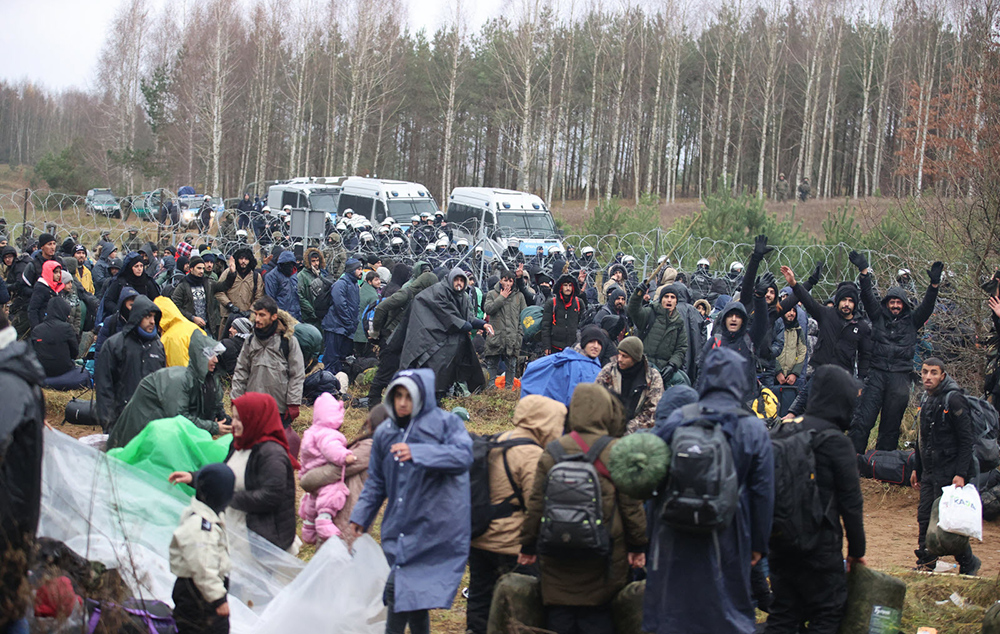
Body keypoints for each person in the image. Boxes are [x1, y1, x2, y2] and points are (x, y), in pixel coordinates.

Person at [644, 347, 774, 634]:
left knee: (677, 605)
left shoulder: (679, 418)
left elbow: (652, 474)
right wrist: (759, 545)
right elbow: (763, 492)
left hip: (676, 527)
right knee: (725, 603)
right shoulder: (752, 428)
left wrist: (652, 531)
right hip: (729, 526)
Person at [349, 369, 474, 634]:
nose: (403, 402)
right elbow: (377, 481)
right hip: (400, 526)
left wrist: (419, 452)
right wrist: (361, 515)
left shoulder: (445, 425)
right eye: (398, 396)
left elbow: (462, 456)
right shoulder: (385, 434)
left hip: (433, 527)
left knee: (399, 592)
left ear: (422, 397)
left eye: (409, 396)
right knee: (411, 598)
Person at [518, 383, 647, 634]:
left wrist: (527, 545)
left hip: (557, 555)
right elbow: (632, 506)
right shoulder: (616, 452)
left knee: (559, 618)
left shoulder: (552, 452)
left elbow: (536, 505)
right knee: (598, 617)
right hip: (604, 557)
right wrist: (637, 547)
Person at [765, 364, 867, 634]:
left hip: (779, 541)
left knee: (784, 613)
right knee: (827, 612)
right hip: (820, 546)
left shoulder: (783, 431)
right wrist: (857, 551)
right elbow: (851, 504)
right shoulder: (836, 441)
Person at [467, 395, 567, 634]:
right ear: (545, 422)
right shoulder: (533, 455)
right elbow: (537, 507)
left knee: (480, 599)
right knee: (519, 607)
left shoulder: (497, 440)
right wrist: (532, 547)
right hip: (512, 547)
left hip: (479, 538)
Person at [848, 252, 941, 453]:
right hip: (877, 374)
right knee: (863, 418)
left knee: (891, 423)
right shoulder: (877, 316)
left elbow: (927, 307)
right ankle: (853, 458)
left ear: (904, 305)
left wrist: (933, 286)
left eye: (899, 303)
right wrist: (864, 272)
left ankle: (881, 461)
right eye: (892, 302)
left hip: (900, 377)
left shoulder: (912, 322)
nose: (895, 306)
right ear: (887, 304)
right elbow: (867, 295)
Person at [910, 358, 980, 574]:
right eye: (924, 372)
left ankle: (968, 561)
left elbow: (966, 440)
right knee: (924, 517)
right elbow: (922, 439)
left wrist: (960, 474)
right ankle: (926, 563)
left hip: (950, 472)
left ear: (942, 375)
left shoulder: (954, 399)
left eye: (933, 372)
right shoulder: (926, 398)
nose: (928, 377)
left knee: (947, 523)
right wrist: (917, 469)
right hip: (930, 471)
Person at [0, 307, 45, 634]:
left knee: (10, 610)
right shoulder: (16, 377)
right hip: (16, 518)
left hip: (7, 521)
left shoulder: (8, 385)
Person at [108, 331, 227, 449]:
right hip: (144, 423)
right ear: (201, 357)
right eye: (212, 355)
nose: (216, 360)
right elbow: (179, 418)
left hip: (161, 429)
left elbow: (216, 407)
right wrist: (213, 427)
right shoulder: (179, 380)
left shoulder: (207, 381)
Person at [779, 266, 871, 416]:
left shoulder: (861, 327)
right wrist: (794, 284)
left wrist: (860, 382)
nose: (846, 304)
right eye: (843, 300)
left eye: (850, 301)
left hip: (843, 379)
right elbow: (808, 301)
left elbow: (865, 357)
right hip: (821, 373)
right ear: (838, 301)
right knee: (798, 409)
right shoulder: (826, 315)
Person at [399, 268, 493, 397]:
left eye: (462, 280)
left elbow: (467, 317)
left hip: (452, 345)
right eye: (456, 280)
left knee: (448, 376)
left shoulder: (462, 297)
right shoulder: (440, 292)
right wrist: (466, 325)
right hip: (436, 342)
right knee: (436, 375)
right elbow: (451, 318)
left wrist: (483, 324)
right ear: (451, 280)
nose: (459, 283)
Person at [231, 296, 305, 456]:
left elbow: (297, 374)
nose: (257, 319)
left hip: (278, 406)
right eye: (256, 314)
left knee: (275, 449)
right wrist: (236, 400)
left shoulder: (288, 342)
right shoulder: (250, 341)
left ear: (273, 317)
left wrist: (293, 402)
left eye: (262, 315)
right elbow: (241, 371)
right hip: (252, 405)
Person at [168, 464, 235, 634]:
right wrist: (217, 599)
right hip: (198, 594)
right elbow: (203, 567)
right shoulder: (201, 526)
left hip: (204, 589)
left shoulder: (209, 514)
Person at [366, 272, 438, 406]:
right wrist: (376, 332)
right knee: (384, 372)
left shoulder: (421, 299)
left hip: (404, 341)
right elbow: (381, 308)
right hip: (391, 340)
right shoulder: (406, 294)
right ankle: (373, 403)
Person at [94, 296, 165, 429]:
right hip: (122, 420)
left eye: (154, 317)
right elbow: (104, 386)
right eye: (148, 316)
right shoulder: (115, 345)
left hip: (151, 423)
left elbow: (161, 386)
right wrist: (109, 423)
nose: (152, 321)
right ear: (137, 316)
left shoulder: (158, 347)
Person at [298, 393, 356, 543]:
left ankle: (309, 529)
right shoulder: (328, 434)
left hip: (310, 474)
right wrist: (345, 456)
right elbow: (332, 450)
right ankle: (324, 521)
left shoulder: (310, 432)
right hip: (324, 475)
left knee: (312, 501)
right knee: (332, 495)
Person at [520, 325, 604, 408]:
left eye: (599, 343)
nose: (596, 346)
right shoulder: (571, 363)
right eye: (591, 342)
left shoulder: (595, 366)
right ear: (584, 342)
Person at [596, 336, 664, 434]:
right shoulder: (609, 371)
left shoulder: (652, 377)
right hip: (607, 430)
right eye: (619, 354)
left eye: (625, 356)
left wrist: (627, 429)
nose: (619, 359)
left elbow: (653, 411)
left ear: (635, 358)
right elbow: (596, 399)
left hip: (639, 434)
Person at [629, 282, 689, 384]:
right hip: (645, 364)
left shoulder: (679, 323)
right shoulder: (650, 313)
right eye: (666, 296)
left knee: (684, 381)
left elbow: (681, 348)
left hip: (664, 367)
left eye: (672, 297)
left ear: (676, 302)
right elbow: (633, 310)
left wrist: (672, 365)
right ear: (661, 299)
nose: (669, 300)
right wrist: (637, 295)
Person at [31, 296, 90, 390]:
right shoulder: (67, 328)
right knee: (84, 373)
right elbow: (74, 352)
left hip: (43, 372)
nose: (69, 316)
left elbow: (33, 352)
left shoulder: (37, 330)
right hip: (64, 371)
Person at [484, 269, 527, 389]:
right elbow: (488, 309)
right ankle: (490, 390)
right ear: (501, 280)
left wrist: (519, 334)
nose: (508, 283)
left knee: (511, 365)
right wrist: (501, 298)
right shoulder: (492, 294)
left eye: (510, 281)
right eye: (505, 280)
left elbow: (524, 316)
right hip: (496, 336)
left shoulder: (519, 296)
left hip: (512, 337)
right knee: (492, 364)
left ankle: (509, 391)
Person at [173, 256, 230, 340]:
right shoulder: (183, 286)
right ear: (191, 269)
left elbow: (224, 286)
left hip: (207, 329)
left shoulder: (208, 283)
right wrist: (192, 318)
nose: (201, 271)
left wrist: (232, 273)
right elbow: (175, 307)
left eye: (203, 269)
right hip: (190, 330)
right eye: (199, 268)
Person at [322, 258, 363, 375]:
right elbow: (340, 305)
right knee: (331, 358)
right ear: (351, 270)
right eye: (358, 269)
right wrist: (349, 322)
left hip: (344, 328)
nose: (361, 272)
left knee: (340, 358)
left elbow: (355, 306)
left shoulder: (354, 285)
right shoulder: (341, 284)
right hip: (335, 327)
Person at [215, 245, 264, 326]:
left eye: (246, 259)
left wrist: (251, 311)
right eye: (241, 259)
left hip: (247, 318)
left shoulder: (255, 277)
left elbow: (259, 296)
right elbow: (218, 291)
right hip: (228, 316)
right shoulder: (228, 273)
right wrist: (229, 305)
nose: (243, 261)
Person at [541, 274, 584, 355]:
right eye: (565, 285)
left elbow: (583, 324)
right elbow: (546, 326)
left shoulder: (579, 303)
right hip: (555, 347)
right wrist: (547, 346)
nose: (568, 288)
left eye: (570, 285)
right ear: (561, 287)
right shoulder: (552, 303)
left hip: (574, 347)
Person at [28, 260, 65, 328]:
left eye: (59, 272)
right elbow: (33, 309)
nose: (58, 275)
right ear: (49, 272)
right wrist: (36, 328)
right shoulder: (41, 288)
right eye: (55, 272)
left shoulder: (58, 288)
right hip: (44, 325)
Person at [264, 250, 301, 320]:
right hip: (281, 316)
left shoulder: (295, 275)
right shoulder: (272, 276)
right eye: (286, 263)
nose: (288, 266)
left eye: (290, 263)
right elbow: (270, 299)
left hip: (296, 315)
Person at [297, 248, 328, 328]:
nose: (316, 263)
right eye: (313, 261)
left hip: (319, 317)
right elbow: (300, 296)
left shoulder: (319, 275)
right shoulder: (302, 276)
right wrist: (312, 312)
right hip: (308, 318)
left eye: (317, 260)